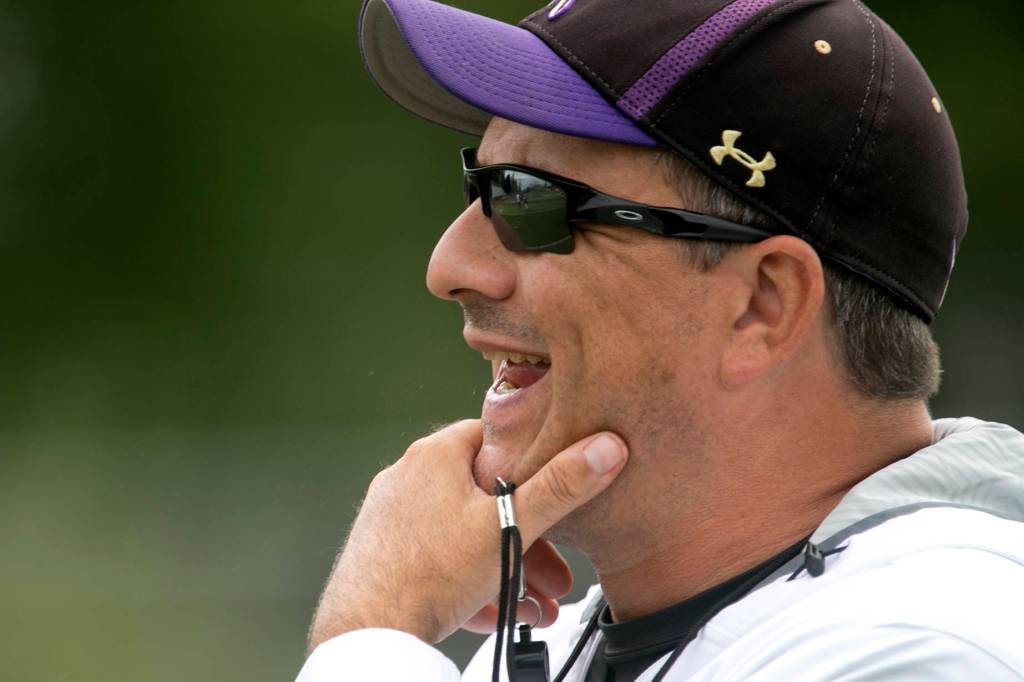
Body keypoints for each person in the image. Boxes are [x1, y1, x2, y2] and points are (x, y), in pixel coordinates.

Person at [298, 0, 1024, 679]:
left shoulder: (928, 643)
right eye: (477, 188)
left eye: (526, 199)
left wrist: (373, 632)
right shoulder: (557, 641)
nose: (450, 268)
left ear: (762, 304)